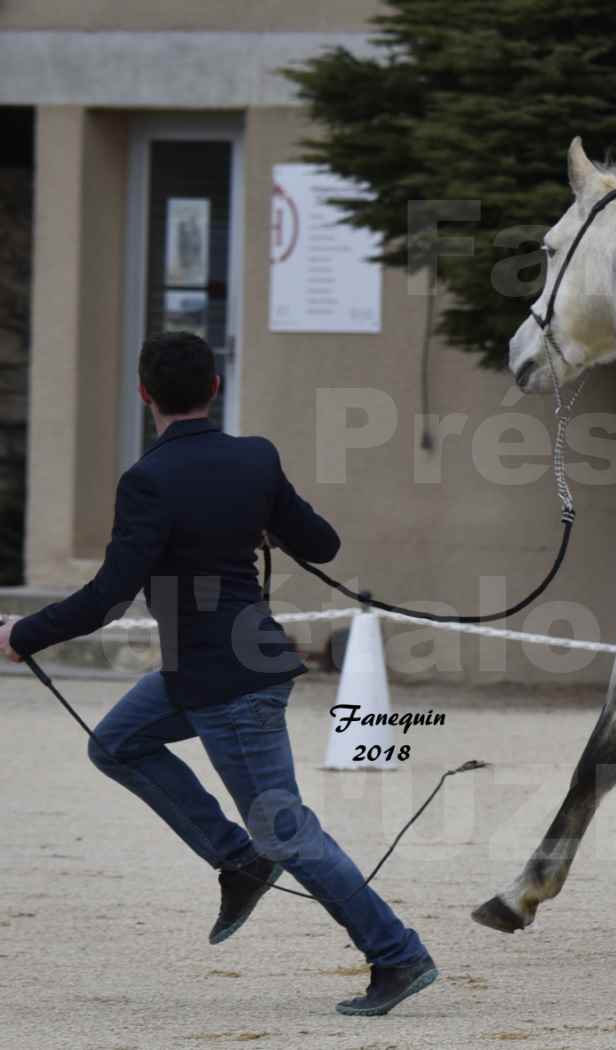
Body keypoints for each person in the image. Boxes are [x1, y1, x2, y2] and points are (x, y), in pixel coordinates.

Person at [0, 332, 437, 1017]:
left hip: (229, 682)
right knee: (117, 743)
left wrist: (22, 635)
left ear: (143, 393)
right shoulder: (255, 458)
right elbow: (321, 543)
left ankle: (397, 954)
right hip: (220, 667)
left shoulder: (147, 479)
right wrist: (256, 518)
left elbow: (111, 594)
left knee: (289, 833)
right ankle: (237, 859)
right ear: (216, 388)